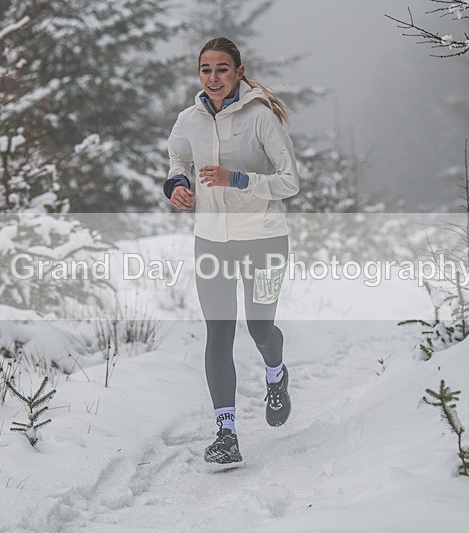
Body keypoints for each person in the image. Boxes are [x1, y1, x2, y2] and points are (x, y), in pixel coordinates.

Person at [163, 37, 300, 464]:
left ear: (238, 72)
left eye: (222, 69)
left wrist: (238, 180)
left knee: (260, 329)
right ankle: (226, 433)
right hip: (212, 240)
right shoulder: (189, 119)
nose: (214, 77)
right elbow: (177, 158)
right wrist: (177, 186)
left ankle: (276, 375)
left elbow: (289, 181)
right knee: (219, 334)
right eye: (206, 69)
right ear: (198, 74)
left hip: (266, 239)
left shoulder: (261, 119)